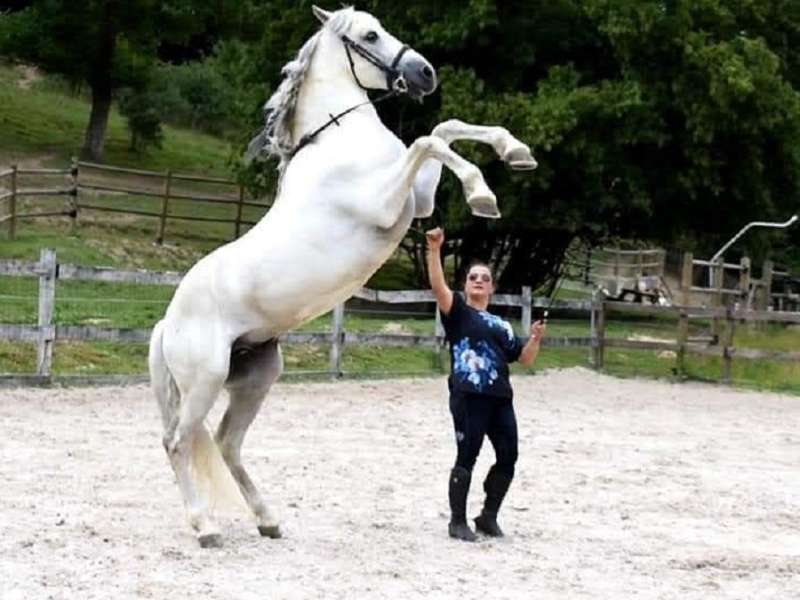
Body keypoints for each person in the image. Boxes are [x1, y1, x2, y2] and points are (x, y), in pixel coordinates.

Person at [426, 227, 546, 541]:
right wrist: (435, 249)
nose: (479, 280)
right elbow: (438, 285)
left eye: (485, 278)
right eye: (473, 277)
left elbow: (524, 359)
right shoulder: (457, 311)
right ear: (465, 285)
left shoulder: (502, 325)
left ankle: (488, 516)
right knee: (467, 455)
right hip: (469, 395)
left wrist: (535, 338)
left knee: (509, 456)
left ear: (492, 287)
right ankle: (457, 522)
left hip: (500, 398)